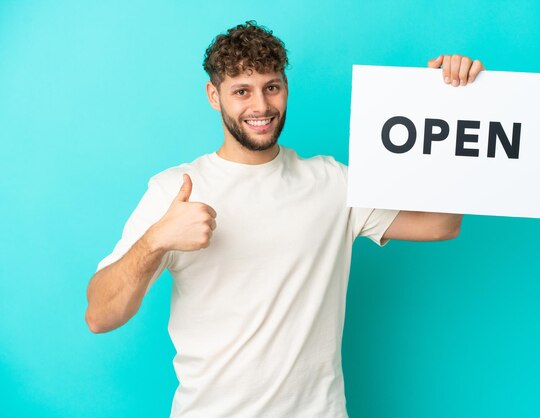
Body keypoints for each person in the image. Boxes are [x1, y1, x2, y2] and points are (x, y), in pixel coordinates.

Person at [85, 21, 484, 418]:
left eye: (271, 87)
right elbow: (100, 316)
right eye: (242, 91)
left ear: (285, 88)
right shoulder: (174, 190)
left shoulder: (332, 182)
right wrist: (156, 239)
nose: (261, 106)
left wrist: (448, 105)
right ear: (214, 96)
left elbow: (441, 224)